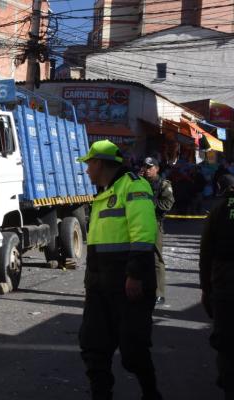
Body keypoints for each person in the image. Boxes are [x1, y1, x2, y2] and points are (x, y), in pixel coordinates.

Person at [77, 140, 162, 400]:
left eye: (89, 164)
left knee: (132, 350)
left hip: (127, 285)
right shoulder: (102, 194)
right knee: (94, 346)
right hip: (100, 287)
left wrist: (135, 275)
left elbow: (144, 234)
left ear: (100, 163)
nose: (87, 170)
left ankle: (151, 393)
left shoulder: (134, 187)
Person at [199, 173, 234, 400]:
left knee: (227, 342)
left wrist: (206, 289)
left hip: (225, 285)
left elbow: (206, 254)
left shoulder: (219, 209)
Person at [140, 157, 174, 305]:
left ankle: (159, 293)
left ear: (157, 168)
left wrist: (152, 202)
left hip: (154, 222)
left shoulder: (163, 184)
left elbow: (167, 204)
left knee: (156, 258)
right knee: (137, 256)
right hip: (138, 223)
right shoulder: (139, 182)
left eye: (150, 167)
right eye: (145, 167)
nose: (147, 170)